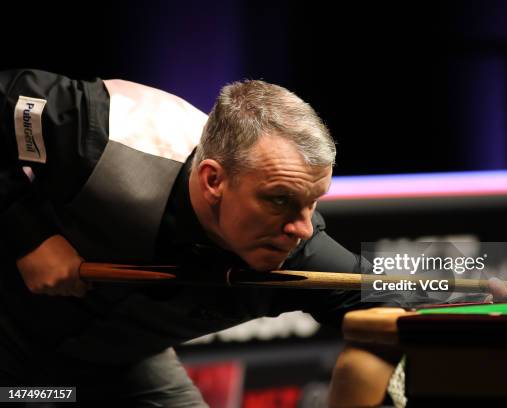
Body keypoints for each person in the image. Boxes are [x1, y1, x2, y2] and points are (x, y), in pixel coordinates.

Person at [0, 69, 437, 407]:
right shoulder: (104, 135)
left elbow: (384, 308)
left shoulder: (297, 250)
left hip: (116, 359)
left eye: (312, 203)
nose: (301, 228)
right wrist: (29, 235)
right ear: (213, 181)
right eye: (279, 200)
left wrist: (462, 318)